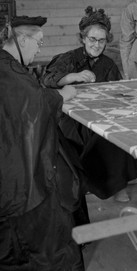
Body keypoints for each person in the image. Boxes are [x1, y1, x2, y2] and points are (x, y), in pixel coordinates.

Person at [0, 15, 84, 270]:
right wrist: (61, 95)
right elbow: (32, 104)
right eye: (38, 42)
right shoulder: (9, 70)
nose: (39, 48)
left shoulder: (8, 66)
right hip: (21, 176)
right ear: (22, 39)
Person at [41, 6, 137, 204]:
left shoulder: (108, 64)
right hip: (72, 119)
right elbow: (47, 79)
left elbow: (117, 91)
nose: (97, 45)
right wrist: (73, 76)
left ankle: (116, 185)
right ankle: (91, 184)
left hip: (101, 114)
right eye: (92, 39)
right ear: (82, 38)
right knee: (97, 138)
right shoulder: (69, 58)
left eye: (102, 40)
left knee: (118, 133)